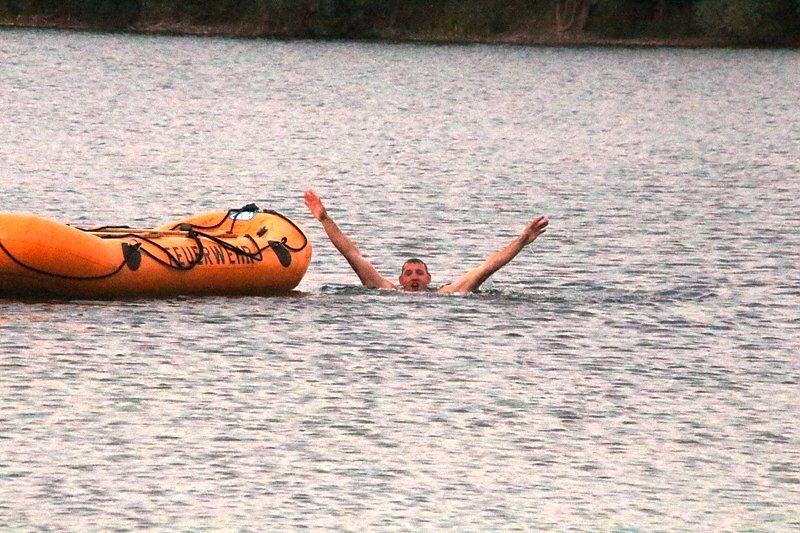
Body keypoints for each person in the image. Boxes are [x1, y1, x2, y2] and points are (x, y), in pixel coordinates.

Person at [303, 189, 548, 294]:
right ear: (400, 280)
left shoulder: (446, 294)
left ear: (429, 279)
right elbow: (352, 255)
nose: (414, 278)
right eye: (408, 274)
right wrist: (324, 218)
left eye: (419, 273)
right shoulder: (387, 292)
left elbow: (487, 268)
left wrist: (521, 241)